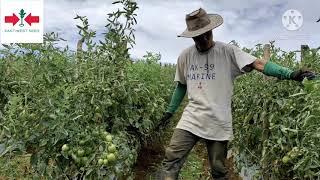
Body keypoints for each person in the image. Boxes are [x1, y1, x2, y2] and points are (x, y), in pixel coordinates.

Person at [158, 8, 315, 180]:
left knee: (218, 170)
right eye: (198, 36)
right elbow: (181, 85)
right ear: (192, 36)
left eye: (206, 34)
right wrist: (170, 112)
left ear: (211, 30)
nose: (203, 39)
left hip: (218, 120)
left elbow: (259, 64)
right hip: (191, 118)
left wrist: (290, 74)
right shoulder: (185, 56)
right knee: (171, 160)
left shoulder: (228, 52)